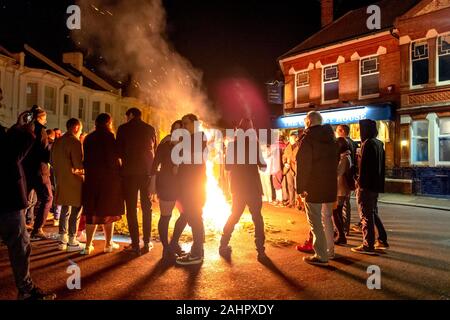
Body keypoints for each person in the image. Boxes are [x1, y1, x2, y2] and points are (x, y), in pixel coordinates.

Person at [0, 111, 56, 300]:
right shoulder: (34, 133)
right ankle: (25, 289)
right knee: (20, 244)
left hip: (12, 192)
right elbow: (11, 157)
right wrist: (26, 132)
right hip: (7, 196)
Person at [219, 118, 268, 262]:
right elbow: (263, 166)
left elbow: (227, 167)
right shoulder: (254, 145)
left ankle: (223, 244)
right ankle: (261, 251)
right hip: (253, 187)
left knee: (234, 215)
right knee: (257, 218)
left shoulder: (233, 146)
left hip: (238, 187)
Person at [296, 111, 338, 266]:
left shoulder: (308, 139)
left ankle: (321, 255)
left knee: (315, 221)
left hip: (314, 186)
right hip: (329, 185)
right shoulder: (332, 139)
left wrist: (300, 188)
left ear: (308, 122)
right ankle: (330, 250)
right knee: (327, 219)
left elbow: (303, 165)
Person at [81, 113, 124, 255]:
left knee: (91, 212)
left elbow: (85, 159)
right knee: (108, 212)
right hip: (108, 180)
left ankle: (87, 246)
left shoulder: (88, 138)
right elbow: (112, 159)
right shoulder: (109, 137)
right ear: (109, 123)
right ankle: (108, 243)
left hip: (92, 179)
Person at [116, 108, 157, 256]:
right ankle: (146, 241)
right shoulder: (150, 128)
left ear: (131, 115)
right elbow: (155, 149)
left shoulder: (123, 129)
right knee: (147, 208)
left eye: (127, 116)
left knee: (131, 209)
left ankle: (135, 243)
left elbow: (118, 152)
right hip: (146, 173)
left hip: (129, 173)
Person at [150, 120, 188, 261]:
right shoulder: (165, 145)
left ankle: (174, 242)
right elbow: (154, 165)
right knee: (166, 216)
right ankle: (166, 248)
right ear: (172, 131)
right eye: (176, 129)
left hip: (183, 185)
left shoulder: (186, 147)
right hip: (166, 182)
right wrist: (152, 185)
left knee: (186, 214)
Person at [351, 119, 389, 255]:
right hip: (375, 185)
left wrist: (359, 183)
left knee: (365, 215)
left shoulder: (367, 144)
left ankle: (368, 244)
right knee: (372, 212)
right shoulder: (379, 143)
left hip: (366, 186)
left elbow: (364, 167)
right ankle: (382, 239)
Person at [175, 113, 207, 265]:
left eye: (186, 123)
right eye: (182, 124)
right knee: (195, 218)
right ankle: (198, 251)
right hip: (191, 185)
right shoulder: (192, 139)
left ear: (195, 123)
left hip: (193, 186)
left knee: (195, 218)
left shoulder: (198, 139)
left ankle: (196, 254)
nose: (183, 126)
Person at [51, 118, 84, 252]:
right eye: (80, 129)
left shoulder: (58, 141)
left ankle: (62, 239)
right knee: (76, 208)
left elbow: (51, 160)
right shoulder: (74, 142)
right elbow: (78, 164)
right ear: (76, 127)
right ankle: (72, 239)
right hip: (74, 180)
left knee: (65, 208)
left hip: (60, 179)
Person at [23, 106, 53, 241]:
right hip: (39, 171)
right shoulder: (41, 131)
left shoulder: (25, 129)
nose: (46, 120)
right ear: (40, 118)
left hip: (25, 169)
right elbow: (44, 152)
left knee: (24, 199)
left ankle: (18, 226)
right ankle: (38, 228)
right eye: (45, 117)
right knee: (47, 198)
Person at [336, 124, 358, 234]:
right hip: (349, 178)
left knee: (339, 207)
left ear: (342, 131)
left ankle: (342, 228)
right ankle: (346, 227)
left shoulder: (343, 144)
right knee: (346, 205)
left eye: (337, 130)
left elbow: (339, 169)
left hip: (343, 179)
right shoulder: (353, 143)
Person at [333, 137, 352, 245]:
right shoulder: (346, 156)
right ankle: (339, 233)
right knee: (338, 211)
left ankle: (341, 235)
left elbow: (338, 172)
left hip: (341, 188)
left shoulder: (344, 158)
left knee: (336, 211)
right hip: (342, 188)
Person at [282, 132, 299, 208]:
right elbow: (284, 157)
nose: (291, 140)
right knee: (290, 186)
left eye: (293, 139)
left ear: (296, 139)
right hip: (288, 169)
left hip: (296, 169)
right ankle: (291, 202)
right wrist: (285, 163)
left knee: (297, 187)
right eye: (290, 139)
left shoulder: (299, 147)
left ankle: (298, 203)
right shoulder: (287, 147)